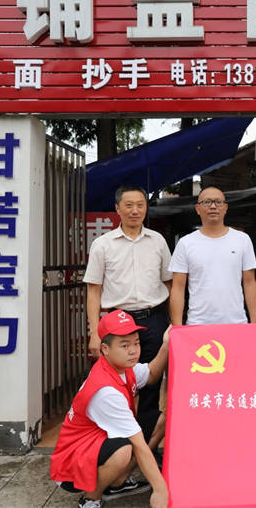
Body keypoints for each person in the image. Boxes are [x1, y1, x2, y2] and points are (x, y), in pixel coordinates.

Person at [50, 310, 170, 508]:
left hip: (97, 442)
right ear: (105, 349)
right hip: (71, 466)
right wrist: (160, 490)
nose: (133, 351)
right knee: (124, 450)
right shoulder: (105, 391)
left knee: (161, 420)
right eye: (125, 345)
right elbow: (139, 444)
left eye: (136, 343)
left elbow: (150, 374)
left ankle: (117, 482)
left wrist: (166, 344)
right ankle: (91, 498)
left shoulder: (122, 366)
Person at [83, 185, 172, 442]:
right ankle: (119, 444)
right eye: (129, 205)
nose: (135, 210)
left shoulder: (157, 241)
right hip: (118, 322)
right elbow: (93, 291)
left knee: (152, 385)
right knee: (117, 383)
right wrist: (94, 332)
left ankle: (146, 448)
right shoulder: (103, 244)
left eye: (140, 205)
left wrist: (174, 322)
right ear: (117, 209)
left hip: (154, 320)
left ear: (146, 208)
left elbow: (170, 284)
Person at [169, 186, 256, 326]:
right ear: (198, 209)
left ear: (225, 208)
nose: (213, 206)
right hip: (198, 324)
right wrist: (177, 326)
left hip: (236, 323)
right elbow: (178, 288)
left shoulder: (242, 239)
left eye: (218, 202)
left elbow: (249, 282)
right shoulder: (185, 243)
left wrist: (255, 322)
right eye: (207, 202)